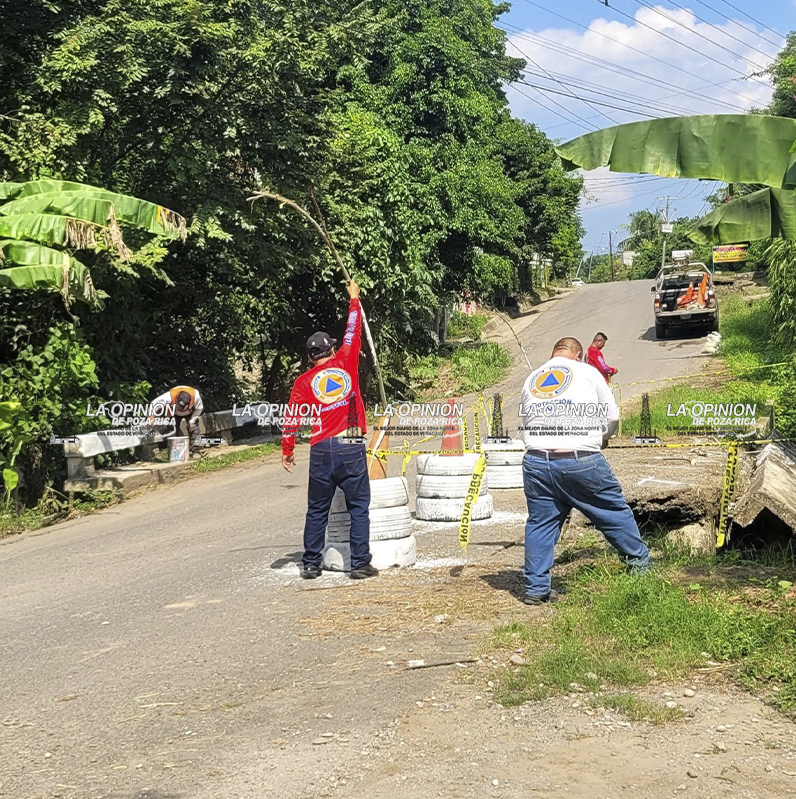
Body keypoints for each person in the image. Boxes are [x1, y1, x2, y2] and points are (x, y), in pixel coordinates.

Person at [518, 337, 650, 605]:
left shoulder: (533, 378)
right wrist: (602, 438)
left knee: (540, 524)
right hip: (580, 460)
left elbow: (526, 420)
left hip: (536, 462)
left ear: (554, 353)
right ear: (578, 355)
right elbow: (611, 417)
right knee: (613, 513)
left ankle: (535, 589)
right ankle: (641, 569)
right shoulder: (588, 372)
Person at [281, 279, 377, 581]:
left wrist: (287, 451)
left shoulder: (303, 383)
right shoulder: (346, 360)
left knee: (317, 509)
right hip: (350, 442)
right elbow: (353, 330)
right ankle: (360, 564)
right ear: (330, 349)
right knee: (359, 507)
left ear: (311, 357)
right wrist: (353, 300)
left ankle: (311, 564)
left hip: (321, 446)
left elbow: (292, 419)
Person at [152, 385, 204, 453]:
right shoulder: (169, 396)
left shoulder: (195, 396)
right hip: (173, 413)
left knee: (194, 428)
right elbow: (154, 404)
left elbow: (199, 409)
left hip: (190, 412)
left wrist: (192, 421)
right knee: (171, 429)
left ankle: (196, 449)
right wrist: (151, 418)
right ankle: (176, 449)